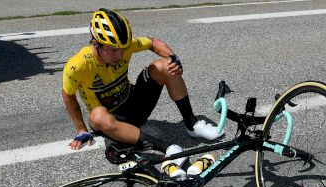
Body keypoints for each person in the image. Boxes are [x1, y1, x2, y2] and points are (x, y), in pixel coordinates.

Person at [62, 8, 223, 155]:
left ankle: (192, 124)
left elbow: (152, 42)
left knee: (166, 65)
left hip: (135, 105)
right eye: (113, 50)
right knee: (97, 116)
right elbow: (68, 94)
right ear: (96, 44)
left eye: (123, 49)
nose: (120, 55)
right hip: (110, 119)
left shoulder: (123, 47)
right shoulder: (78, 65)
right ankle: (165, 147)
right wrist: (81, 129)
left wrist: (174, 58)